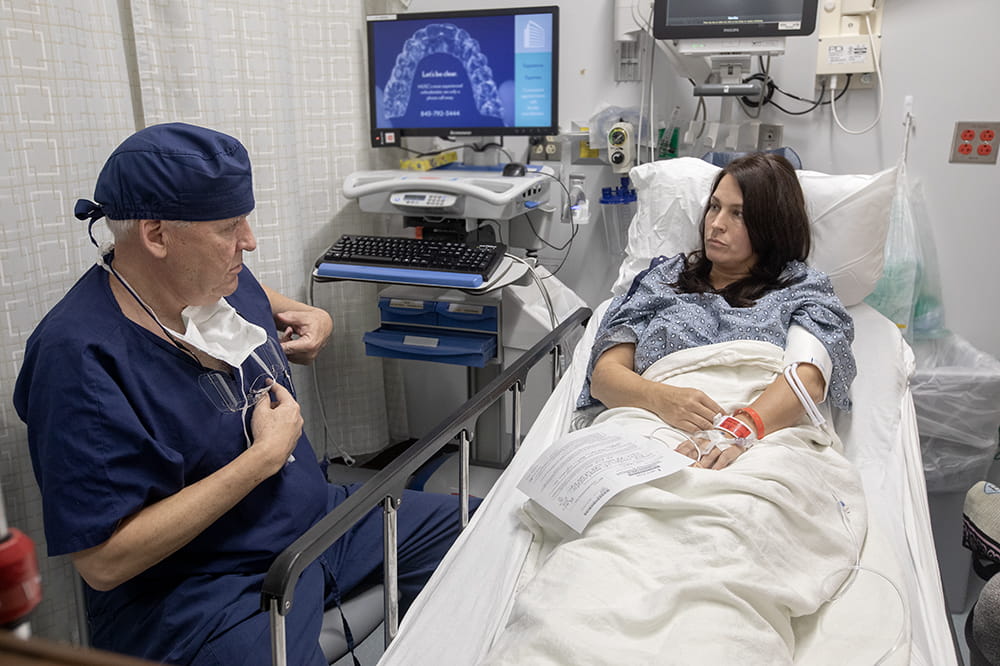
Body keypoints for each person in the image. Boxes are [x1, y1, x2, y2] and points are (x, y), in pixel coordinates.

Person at [13, 122, 472, 665]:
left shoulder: (213, 279)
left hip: (317, 520)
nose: (249, 241)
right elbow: (105, 561)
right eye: (230, 226)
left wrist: (311, 313)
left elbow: (254, 290)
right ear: (156, 235)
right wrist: (264, 458)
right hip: (204, 588)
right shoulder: (80, 359)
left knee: (485, 531)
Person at [579, 151, 857, 466]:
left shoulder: (802, 288)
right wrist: (661, 398)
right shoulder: (663, 281)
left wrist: (740, 429)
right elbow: (604, 378)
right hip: (652, 422)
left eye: (738, 214)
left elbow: (810, 378)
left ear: (772, 225)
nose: (716, 224)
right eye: (714, 207)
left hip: (760, 433)